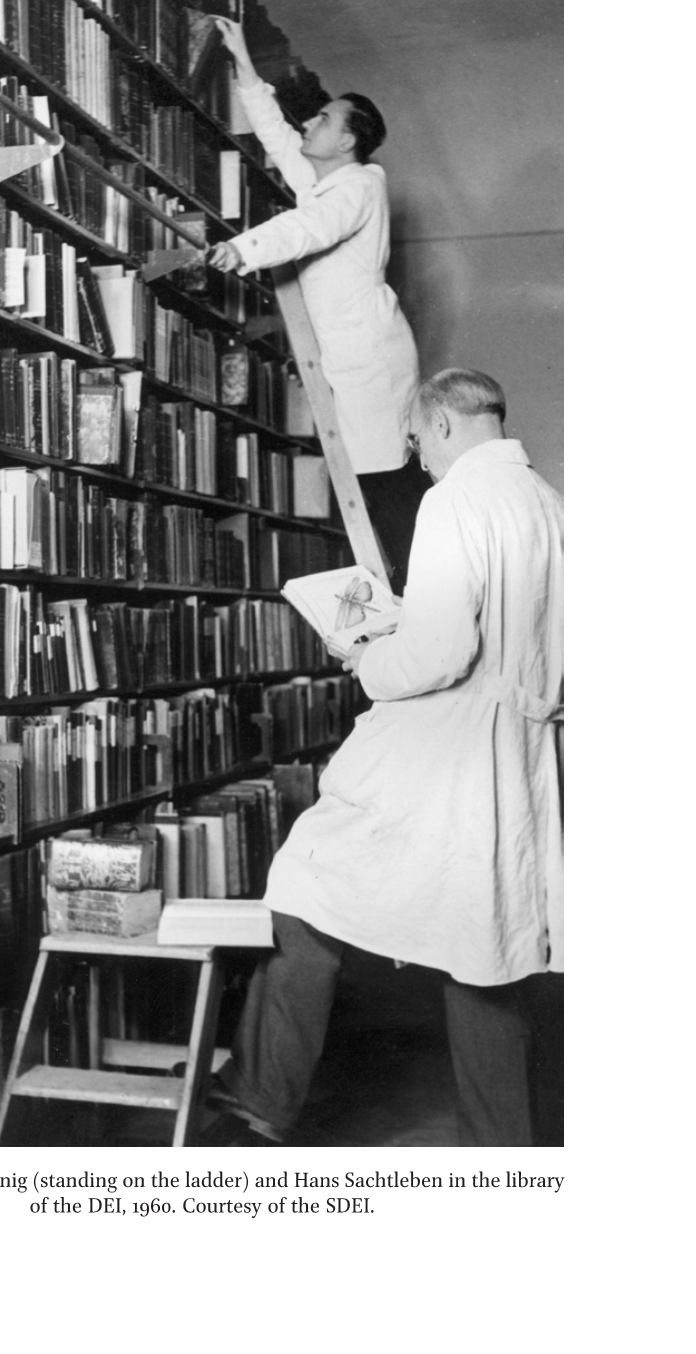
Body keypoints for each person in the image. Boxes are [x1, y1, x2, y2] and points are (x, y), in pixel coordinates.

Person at [208, 368, 564, 1147]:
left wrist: (367, 655)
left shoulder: (455, 500)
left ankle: (260, 1100)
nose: (419, 461)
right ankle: (501, 1150)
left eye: (415, 443)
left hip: (437, 752)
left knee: (304, 883)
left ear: (441, 425)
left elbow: (440, 652)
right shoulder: (551, 505)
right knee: (489, 947)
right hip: (519, 760)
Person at [208, 16, 428, 591]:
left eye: (325, 119)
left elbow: (312, 227)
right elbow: (277, 134)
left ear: (349, 140)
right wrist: (244, 63)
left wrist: (243, 248)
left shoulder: (358, 188)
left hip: (372, 361)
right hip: (349, 360)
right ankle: (409, 590)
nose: (312, 121)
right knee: (369, 486)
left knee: (384, 486)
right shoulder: (326, 180)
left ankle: (422, 594)